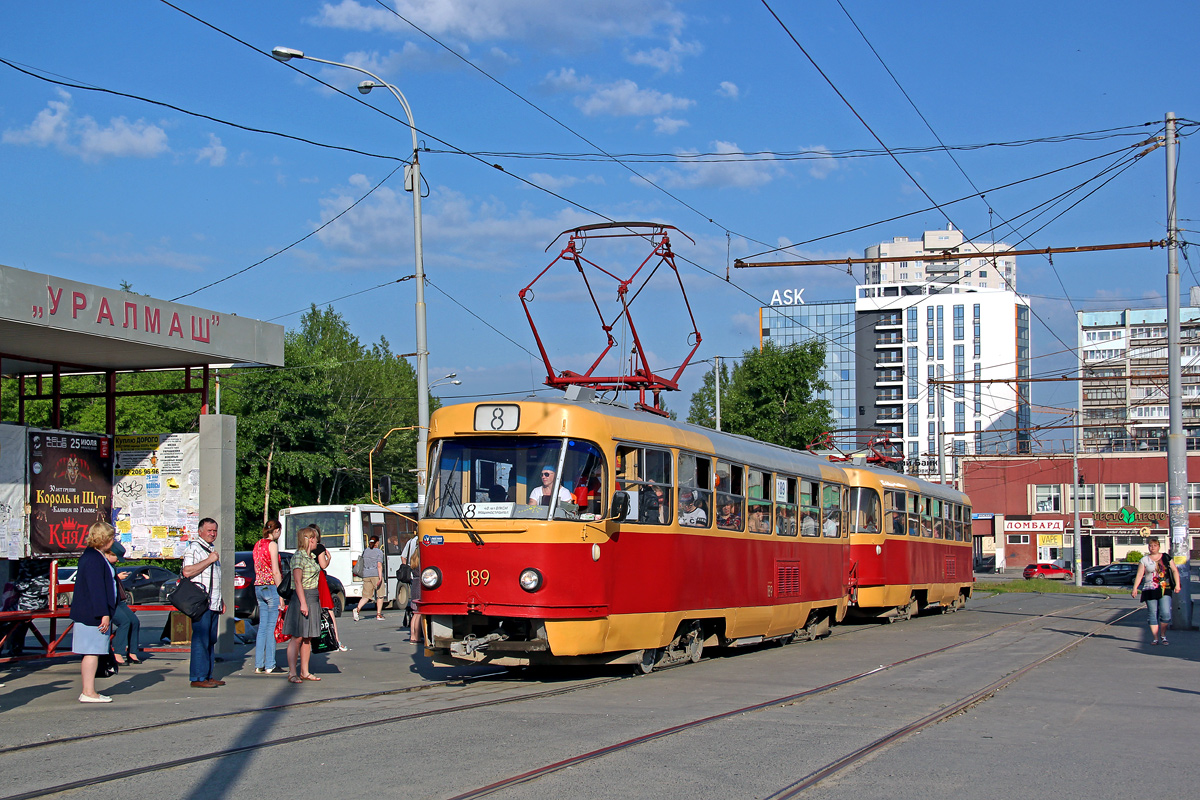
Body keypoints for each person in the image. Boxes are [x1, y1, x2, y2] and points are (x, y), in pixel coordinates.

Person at [70, 521, 119, 703]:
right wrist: (103, 613)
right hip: (93, 614)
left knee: (93, 651)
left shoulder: (92, 556)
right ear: (105, 539)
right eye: (112, 537)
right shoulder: (94, 558)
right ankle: (88, 691)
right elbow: (96, 588)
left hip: (91, 612)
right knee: (92, 651)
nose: (114, 541)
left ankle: (89, 690)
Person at [180, 517, 224, 689]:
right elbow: (187, 571)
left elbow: (215, 579)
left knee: (210, 640)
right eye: (209, 531)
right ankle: (198, 676)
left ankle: (208, 675)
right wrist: (209, 560)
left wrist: (221, 600)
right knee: (200, 639)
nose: (212, 534)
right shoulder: (194, 548)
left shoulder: (211, 550)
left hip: (213, 602)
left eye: (214, 531)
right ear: (200, 532)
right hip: (200, 602)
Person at [284, 526, 324, 682]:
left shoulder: (311, 557)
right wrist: (303, 603)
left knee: (308, 637)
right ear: (308, 539)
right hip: (302, 597)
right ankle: (292, 672)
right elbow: (298, 582)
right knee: (297, 637)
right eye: (314, 537)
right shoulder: (299, 557)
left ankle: (305, 671)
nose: (316, 540)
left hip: (313, 597)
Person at [1132, 537, 1182, 645]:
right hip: (1150, 589)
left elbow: (1174, 570)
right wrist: (1135, 588)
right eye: (1150, 546)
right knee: (1152, 613)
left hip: (1165, 588)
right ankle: (1155, 638)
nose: (1152, 548)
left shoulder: (1166, 557)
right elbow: (1140, 574)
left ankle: (1163, 635)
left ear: (1159, 546)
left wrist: (1177, 584)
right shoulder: (1144, 560)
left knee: (1165, 613)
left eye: (1155, 545)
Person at [252, 519, 285, 673]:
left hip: (258, 586)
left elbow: (256, 566)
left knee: (262, 627)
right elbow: (276, 570)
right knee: (272, 627)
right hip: (271, 586)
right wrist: (281, 594)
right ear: (276, 530)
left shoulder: (257, 544)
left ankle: (259, 663)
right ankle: (270, 664)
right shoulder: (272, 545)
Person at [108, 541, 143, 665]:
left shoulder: (111, 565)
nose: (117, 561)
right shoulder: (103, 564)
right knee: (124, 622)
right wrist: (117, 578)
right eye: (116, 558)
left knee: (134, 621)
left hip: (119, 600)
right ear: (109, 553)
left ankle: (132, 652)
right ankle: (118, 652)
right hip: (110, 602)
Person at [312, 532, 348, 652]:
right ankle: (335, 640)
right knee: (328, 608)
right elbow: (323, 565)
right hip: (319, 580)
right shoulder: (319, 547)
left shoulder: (302, 550)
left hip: (307, 582)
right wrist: (329, 559)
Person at [352, 536, 387, 621]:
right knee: (380, 595)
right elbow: (379, 565)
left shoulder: (365, 551)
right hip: (375, 575)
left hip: (366, 575)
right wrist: (380, 578)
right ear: (377, 543)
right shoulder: (379, 552)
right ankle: (378, 614)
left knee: (366, 596)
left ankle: (357, 609)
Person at [404, 538, 423, 645]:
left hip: (414, 583)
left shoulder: (413, 557)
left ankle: (412, 635)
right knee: (419, 613)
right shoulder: (421, 556)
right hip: (420, 584)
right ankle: (417, 637)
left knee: (415, 613)